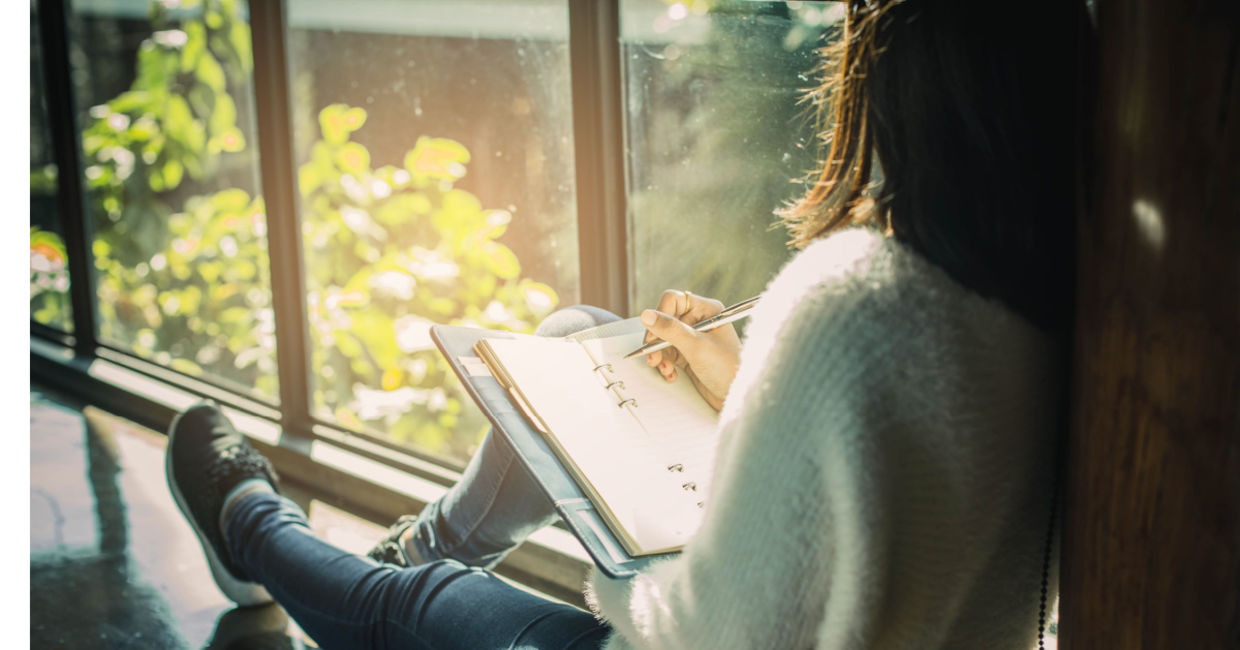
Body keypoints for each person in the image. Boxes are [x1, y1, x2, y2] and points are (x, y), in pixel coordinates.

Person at [165, 0, 1087, 647]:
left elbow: (706, 638)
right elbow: (899, 496)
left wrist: (609, 546)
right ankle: (413, 549)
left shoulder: (857, 294)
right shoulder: (1055, 303)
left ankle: (249, 523)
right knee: (577, 337)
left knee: (423, 609)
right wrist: (740, 392)